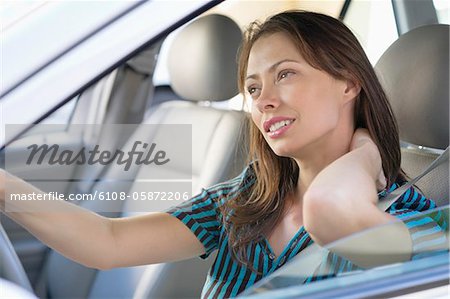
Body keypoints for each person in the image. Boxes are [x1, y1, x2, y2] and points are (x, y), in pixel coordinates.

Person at [0, 10, 447, 299]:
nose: (263, 101)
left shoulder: (408, 217)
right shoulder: (251, 195)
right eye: (253, 88)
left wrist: (367, 155)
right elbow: (106, 243)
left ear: (349, 83)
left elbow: (331, 211)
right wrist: (5, 188)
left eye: (285, 74)